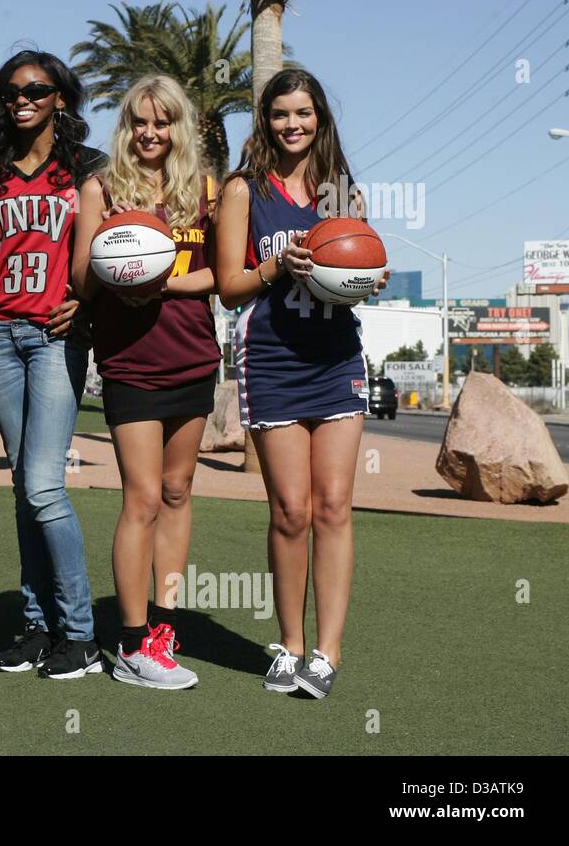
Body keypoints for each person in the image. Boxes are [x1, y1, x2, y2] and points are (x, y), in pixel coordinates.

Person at [214, 68, 388, 699]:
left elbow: (362, 268)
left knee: (335, 505)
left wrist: (370, 278)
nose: (293, 124)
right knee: (291, 510)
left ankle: (327, 653)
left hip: (336, 359)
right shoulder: (242, 190)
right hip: (274, 360)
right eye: (281, 113)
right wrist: (272, 265)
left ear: (321, 118)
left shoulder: (342, 195)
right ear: (266, 119)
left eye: (304, 113)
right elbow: (229, 287)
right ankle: (289, 646)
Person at [0, 51, 105, 679]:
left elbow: (104, 254)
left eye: (37, 89)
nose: (22, 99)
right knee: (22, 485)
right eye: (11, 91)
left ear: (60, 98)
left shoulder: (88, 168)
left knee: (43, 484)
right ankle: (38, 627)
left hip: (54, 337)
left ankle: (82, 634)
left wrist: (86, 307)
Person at [72, 75, 220, 691]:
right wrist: (116, 257)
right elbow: (82, 282)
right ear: (127, 126)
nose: (151, 133)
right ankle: (132, 645)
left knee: (179, 492)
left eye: (163, 122)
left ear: (179, 127)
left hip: (194, 358)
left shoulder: (205, 190)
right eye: (140, 122)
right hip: (131, 362)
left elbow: (225, 274)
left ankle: (164, 626)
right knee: (142, 498)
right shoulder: (101, 188)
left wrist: (167, 282)